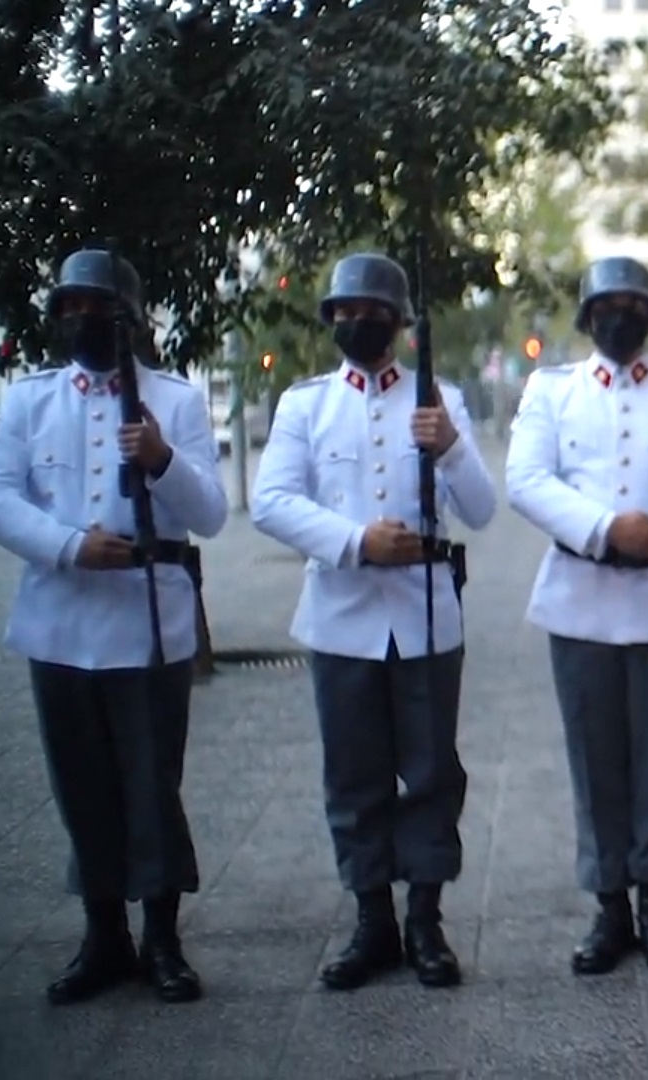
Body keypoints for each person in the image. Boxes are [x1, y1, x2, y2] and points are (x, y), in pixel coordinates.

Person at [251, 251, 498, 991]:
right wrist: (356, 542)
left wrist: (449, 446)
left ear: (399, 324)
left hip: (425, 616)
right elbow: (272, 501)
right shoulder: (306, 405)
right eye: (346, 312)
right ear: (331, 320)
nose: (359, 323)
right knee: (354, 776)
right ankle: (372, 921)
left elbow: (482, 510)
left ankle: (425, 921)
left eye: (374, 313)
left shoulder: (439, 397)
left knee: (430, 773)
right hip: (341, 618)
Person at [0, 249, 229, 1004]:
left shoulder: (176, 400)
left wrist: (162, 458)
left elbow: (212, 516)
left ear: (131, 317)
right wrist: (68, 547)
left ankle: (162, 936)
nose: (84, 321)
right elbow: (1, 495)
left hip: (146, 624)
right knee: (81, 784)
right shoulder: (29, 401)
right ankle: (104, 935)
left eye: (99, 308)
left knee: (152, 782)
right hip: (61, 623)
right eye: (70, 309)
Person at [505, 256, 648, 976]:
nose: (621, 315)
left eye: (635, 304)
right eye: (607, 305)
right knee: (595, 762)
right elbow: (525, 482)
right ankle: (609, 904)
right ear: (586, 317)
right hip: (582, 601)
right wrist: (609, 529)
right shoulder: (554, 391)